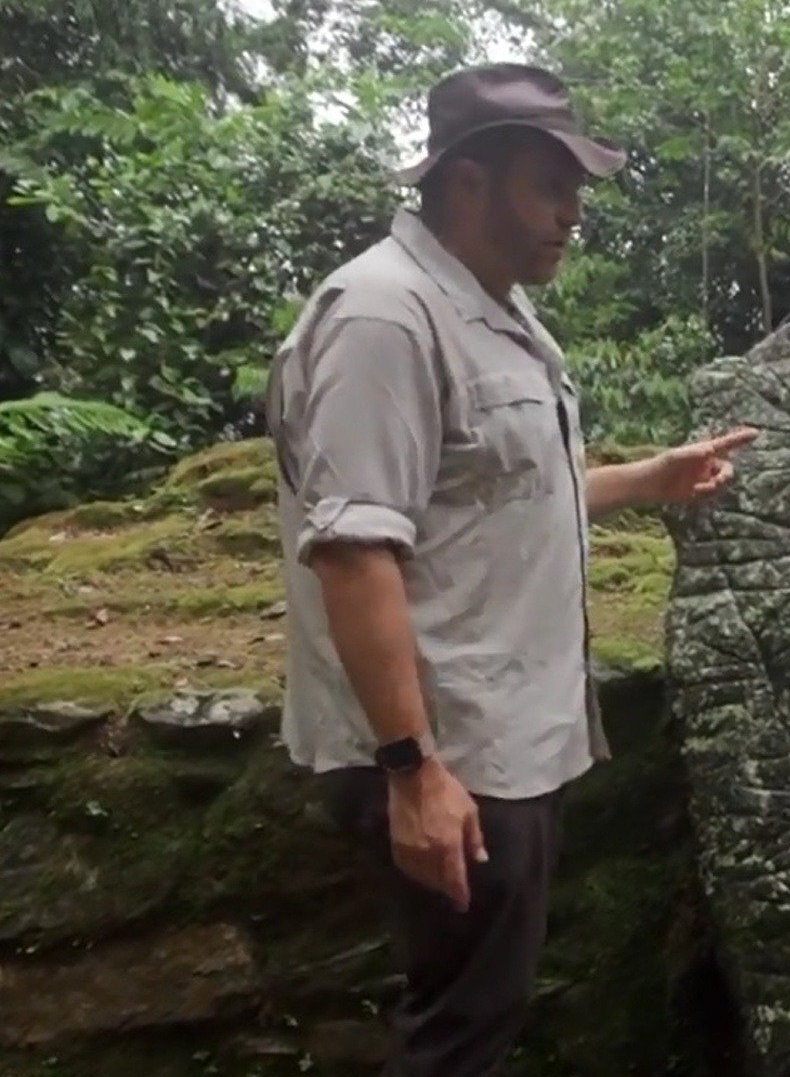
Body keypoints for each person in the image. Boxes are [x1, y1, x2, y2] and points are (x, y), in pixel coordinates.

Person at [265, 63, 756, 1076]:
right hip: (450, 750)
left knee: (475, 1014)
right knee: (461, 1034)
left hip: (502, 741)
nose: (573, 213)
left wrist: (648, 480)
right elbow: (355, 552)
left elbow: (495, 496)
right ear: (467, 181)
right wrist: (413, 773)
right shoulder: (383, 319)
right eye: (551, 185)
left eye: (576, 189)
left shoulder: (496, 310)